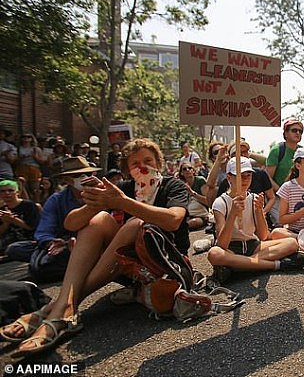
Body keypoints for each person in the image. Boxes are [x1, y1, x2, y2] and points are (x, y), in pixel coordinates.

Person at [1, 138, 190, 357]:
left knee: (135, 223)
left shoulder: (172, 185)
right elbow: (71, 224)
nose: (143, 167)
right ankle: (65, 309)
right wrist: (96, 203)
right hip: (131, 267)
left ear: (159, 163)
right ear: (127, 170)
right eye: (135, 163)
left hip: (168, 265)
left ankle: (55, 308)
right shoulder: (123, 188)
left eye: (148, 160)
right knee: (98, 220)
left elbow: (173, 220)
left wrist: (123, 203)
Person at [207, 156, 304, 283]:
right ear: (229, 177)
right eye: (240, 176)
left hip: (252, 246)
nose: (245, 179)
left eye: (248, 175)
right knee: (215, 254)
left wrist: (259, 211)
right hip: (231, 248)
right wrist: (232, 214)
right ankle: (276, 265)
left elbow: (264, 236)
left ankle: (239, 267)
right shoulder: (220, 203)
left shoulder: (254, 198)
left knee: (292, 243)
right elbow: (222, 244)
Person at [4, 157, 96, 278]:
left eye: (87, 174)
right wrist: (52, 242)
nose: (84, 178)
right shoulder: (56, 200)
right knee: (14, 249)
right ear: (67, 180)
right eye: (78, 175)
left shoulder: (101, 193)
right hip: (63, 244)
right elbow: (44, 230)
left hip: (93, 240)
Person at [217, 141, 276, 220]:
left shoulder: (260, 174)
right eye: (239, 152)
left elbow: (272, 198)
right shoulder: (225, 182)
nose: (245, 179)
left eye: (245, 152)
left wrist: (261, 213)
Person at [266, 119, 303, 226]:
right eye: (294, 130)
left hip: (297, 195)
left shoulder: (303, 152)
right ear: (286, 133)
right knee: (282, 223)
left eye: (300, 131)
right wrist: (283, 193)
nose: (298, 133)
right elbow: (268, 178)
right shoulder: (277, 150)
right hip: (277, 196)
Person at [0, 180, 40, 255]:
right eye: (3, 191)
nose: (7, 193)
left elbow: (32, 227)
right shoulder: (2, 210)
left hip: (29, 240)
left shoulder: (28, 205)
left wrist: (13, 219)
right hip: (8, 241)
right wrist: (6, 223)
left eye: (10, 190)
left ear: (17, 192)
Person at [177, 160, 210, 230]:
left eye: (189, 168)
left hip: (201, 216)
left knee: (192, 223)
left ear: (193, 171)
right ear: (181, 173)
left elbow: (208, 202)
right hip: (188, 215)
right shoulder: (181, 185)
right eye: (184, 169)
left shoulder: (200, 180)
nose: (187, 170)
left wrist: (192, 193)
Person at [15, 133, 46, 203]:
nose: (26, 139)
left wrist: (35, 157)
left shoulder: (36, 149)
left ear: (32, 139)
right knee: (23, 187)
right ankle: (25, 202)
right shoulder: (18, 148)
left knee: (35, 188)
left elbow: (42, 161)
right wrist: (20, 158)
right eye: (24, 137)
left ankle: (36, 203)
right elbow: (14, 161)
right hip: (22, 168)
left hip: (34, 168)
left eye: (28, 137)